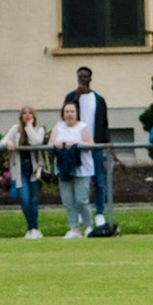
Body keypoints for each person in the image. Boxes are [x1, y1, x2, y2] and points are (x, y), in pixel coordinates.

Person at [63, 66, 114, 234]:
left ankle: (99, 212)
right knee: (78, 183)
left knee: (99, 182)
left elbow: (104, 124)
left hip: (95, 146)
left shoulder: (99, 100)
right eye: (80, 77)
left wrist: (108, 145)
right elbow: (66, 117)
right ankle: (79, 215)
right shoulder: (71, 97)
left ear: (90, 79)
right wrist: (76, 97)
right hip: (77, 148)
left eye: (86, 77)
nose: (83, 80)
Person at [0, 105, 47, 239]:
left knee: (34, 200)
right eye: (24, 113)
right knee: (25, 199)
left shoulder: (39, 130)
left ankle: (35, 229)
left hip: (34, 169)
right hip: (20, 169)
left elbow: (35, 142)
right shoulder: (15, 129)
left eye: (30, 113)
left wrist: (29, 126)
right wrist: (8, 143)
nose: (27, 115)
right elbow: (1, 142)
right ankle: (30, 227)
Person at [51, 101, 95, 237]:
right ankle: (74, 228)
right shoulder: (58, 127)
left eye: (72, 112)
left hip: (82, 169)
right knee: (68, 200)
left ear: (76, 114)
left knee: (81, 200)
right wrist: (57, 144)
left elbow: (90, 144)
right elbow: (50, 143)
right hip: (64, 169)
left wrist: (77, 144)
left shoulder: (83, 127)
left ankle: (88, 226)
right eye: (66, 112)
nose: (69, 114)